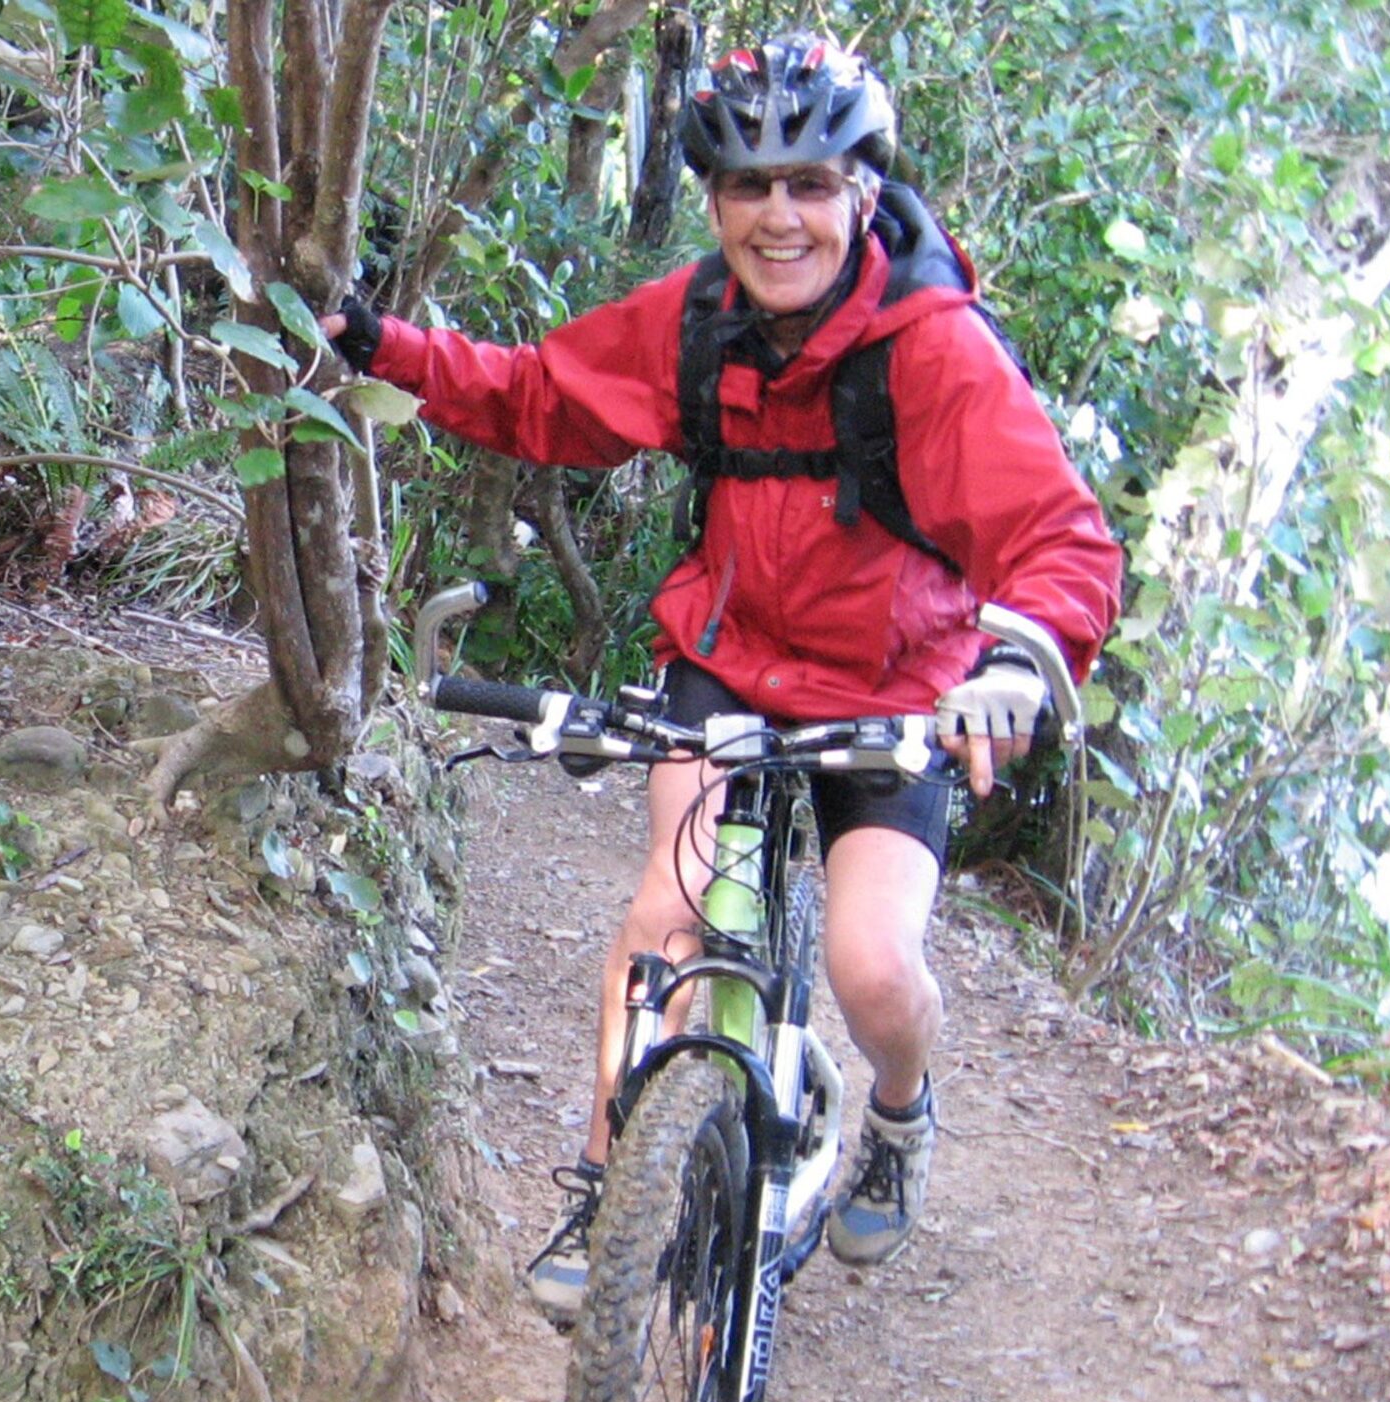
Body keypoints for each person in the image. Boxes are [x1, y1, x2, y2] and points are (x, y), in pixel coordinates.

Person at [322, 33, 1123, 1322]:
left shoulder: (932, 348)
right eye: (749, 189)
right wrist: (379, 343)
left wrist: (1018, 659)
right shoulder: (697, 321)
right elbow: (538, 398)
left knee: (869, 966)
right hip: (728, 662)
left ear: (863, 187)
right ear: (714, 201)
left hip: (899, 683)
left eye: (810, 183)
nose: (779, 216)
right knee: (669, 915)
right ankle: (608, 1189)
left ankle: (902, 1119)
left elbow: (1061, 539)